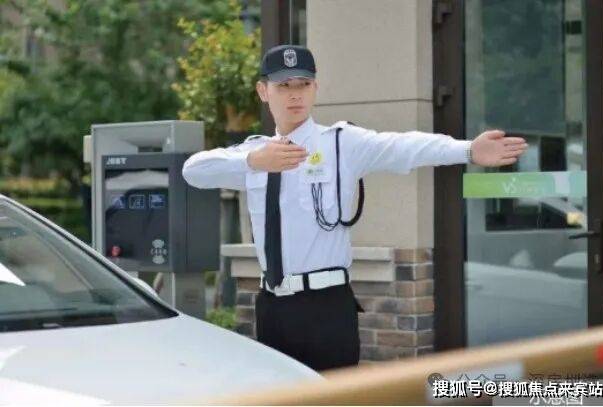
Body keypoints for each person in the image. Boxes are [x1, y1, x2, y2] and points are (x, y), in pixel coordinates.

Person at [182, 44, 527, 371]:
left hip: (326, 306)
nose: (295, 94)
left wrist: (467, 150)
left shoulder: (340, 143)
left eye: (303, 84)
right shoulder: (254, 152)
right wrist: (254, 161)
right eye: (284, 85)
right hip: (271, 306)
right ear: (263, 91)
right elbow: (193, 171)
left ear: (316, 88)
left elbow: (403, 147)